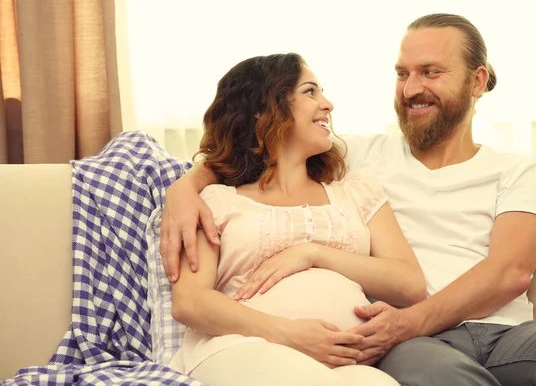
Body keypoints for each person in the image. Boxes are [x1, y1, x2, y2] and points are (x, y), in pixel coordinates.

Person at [160, 14, 536, 385]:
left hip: (500, 332)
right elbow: (262, 147)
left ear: (477, 81)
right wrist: (185, 187)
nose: (411, 89)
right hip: (416, 345)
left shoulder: (517, 169)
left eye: (431, 72)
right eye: (402, 74)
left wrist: (405, 320)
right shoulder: (358, 156)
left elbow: (509, 272)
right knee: (438, 374)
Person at [167, 52, 425, 386]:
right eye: (310, 92)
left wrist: (313, 253)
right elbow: (189, 302)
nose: (328, 104)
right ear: (264, 109)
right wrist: (287, 333)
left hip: (346, 365)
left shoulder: (356, 191)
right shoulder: (217, 200)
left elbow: (410, 284)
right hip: (243, 349)